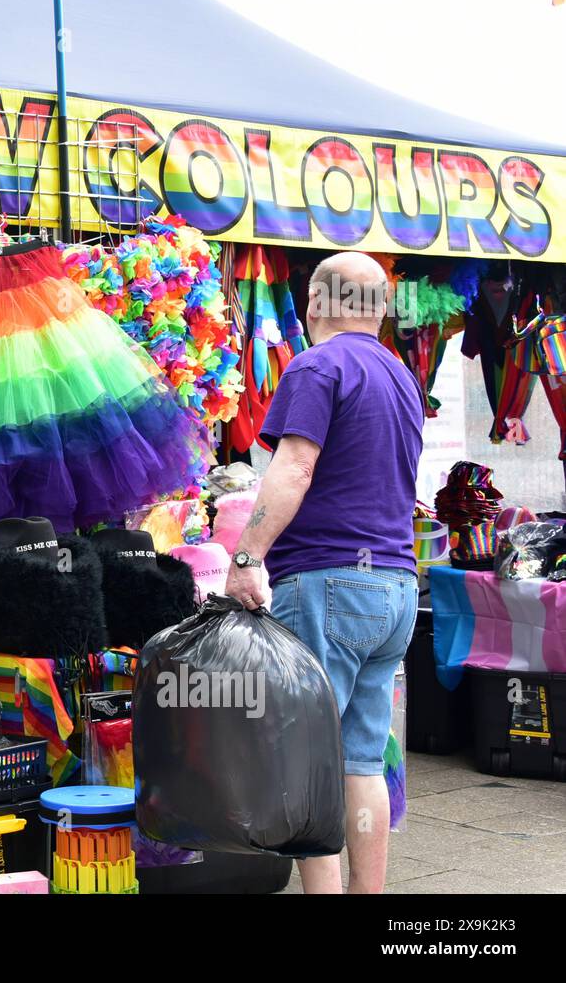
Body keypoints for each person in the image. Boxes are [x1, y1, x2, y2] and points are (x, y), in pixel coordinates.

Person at [223, 251, 423, 894]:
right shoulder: (400, 376)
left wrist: (247, 555)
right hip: (394, 588)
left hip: (330, 586)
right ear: (380, 308)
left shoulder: (315, 365)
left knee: (308, 761)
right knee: (361, 762)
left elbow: (293, 469)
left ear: (314, 303)